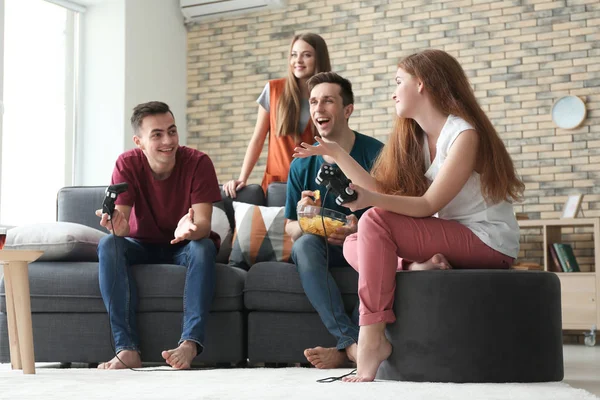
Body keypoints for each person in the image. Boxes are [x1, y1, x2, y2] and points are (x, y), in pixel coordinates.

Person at [294, 49, 525, 381]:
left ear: (422, 84)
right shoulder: (416, 139)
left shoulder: (463, 135)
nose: (393, 91)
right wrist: (337, 154)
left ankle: (371, 339)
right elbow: (379, 187)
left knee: (374, 221)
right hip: (448, 234)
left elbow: (428, 204)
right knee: (352, 243)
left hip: (487, 239)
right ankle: (415, 267)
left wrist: (369, 201)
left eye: (398, 82)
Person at [95, 101, 221, 370]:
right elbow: (123, 228)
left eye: (172, 131)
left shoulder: (198, 163)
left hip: (183, 245)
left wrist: (188, 229)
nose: (168, 140)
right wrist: (115, 224)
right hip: (141, 244)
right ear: (139, 141)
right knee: (109, 245)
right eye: (157, 134)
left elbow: (203, 225)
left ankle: (190, 344)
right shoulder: (127, 163)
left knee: (204, 247)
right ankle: (126, 349)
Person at [285, 72, 383, 369]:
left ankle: (345, 352)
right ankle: (352, 344)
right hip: (323, 250)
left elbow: (393, 210)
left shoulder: (376, 153)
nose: (318, 108)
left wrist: (360, 225)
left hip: (365, 246)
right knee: (303, 246)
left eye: (328, 100)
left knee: (384, 246)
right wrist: (304, 218)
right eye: (314, 101)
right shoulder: (301, 162)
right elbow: (289, 228)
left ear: (347, 110)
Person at [223, 33, 331, 198]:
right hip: (276, 186)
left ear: (319, 59)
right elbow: (257, 139)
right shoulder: (273, 90)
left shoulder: (330, 96)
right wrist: (242, 178)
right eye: (294, 55)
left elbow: (335, 144)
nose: (298, 61)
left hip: (314, 186)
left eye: (307, 55)